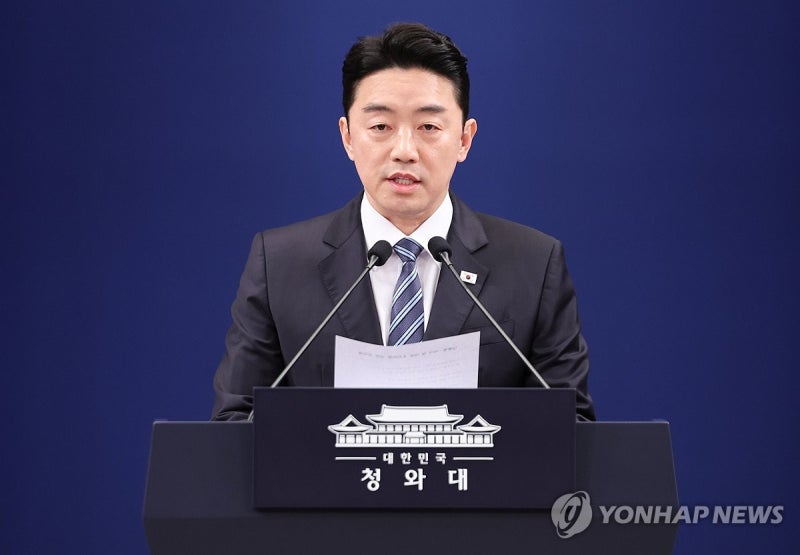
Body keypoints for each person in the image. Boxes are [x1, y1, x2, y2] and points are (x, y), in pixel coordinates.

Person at [211, 23, 595, 421]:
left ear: (464, 139)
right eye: (381, 127)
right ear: (348, 137)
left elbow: (571, 427)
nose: (405, 151)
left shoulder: (534, 263)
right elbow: (234, 422)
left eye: (428, 127)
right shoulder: (279, 264)